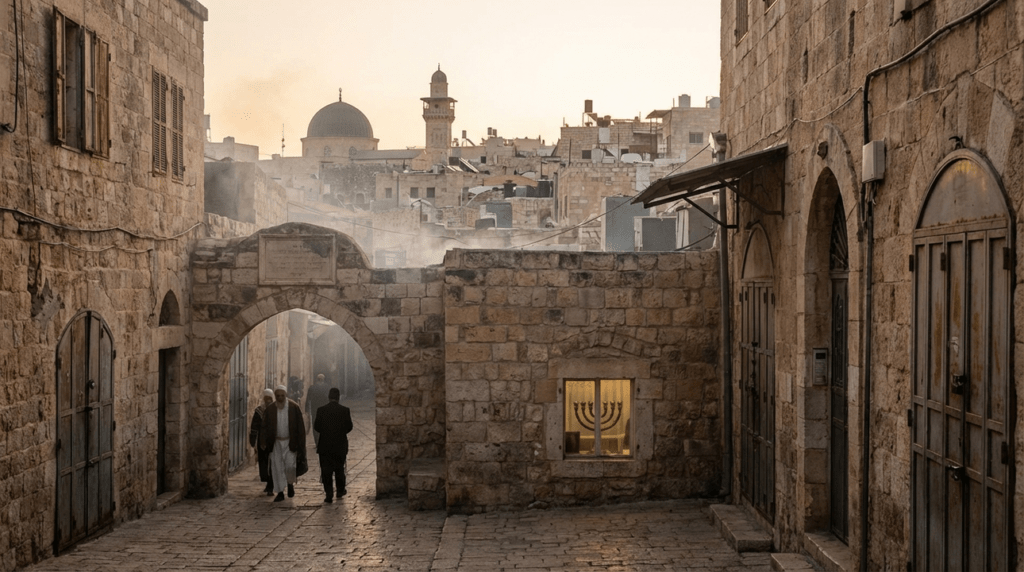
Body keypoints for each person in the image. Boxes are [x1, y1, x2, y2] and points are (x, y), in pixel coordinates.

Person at [260, 385, 306, 502]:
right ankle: (280, 492)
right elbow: (264, 427)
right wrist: (263, 441)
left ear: (286, 395)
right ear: (275, 396)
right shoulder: (270, 409)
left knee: (290, 466)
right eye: (278, 396)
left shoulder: (293, 407)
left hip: (290, 442)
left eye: (282, 395)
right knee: (277, 467)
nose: (280, 398)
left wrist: (300, 444)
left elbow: (300, 427)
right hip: (276, 443)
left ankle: (290, 485)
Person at [313, 387, 353, 503]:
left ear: (328, 397)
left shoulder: (321, 410)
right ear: (338, 397)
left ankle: (329, 494)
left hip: (325, 446)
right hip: (340, 445)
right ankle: (340, 491)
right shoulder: (345, 410)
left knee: (326, 471)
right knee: (339, 469)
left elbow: (317, 427)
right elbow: (349, 427)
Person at [249, 388, 275, 495]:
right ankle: (269, 484)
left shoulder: (274, 410)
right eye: (266, 398)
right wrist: (253, 439)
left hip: (269, 441)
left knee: (270, 463)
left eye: (269, 398)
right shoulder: (261, 411)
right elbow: (254, 427)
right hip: (264, 441)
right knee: (266, 462)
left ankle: (270, 485)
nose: (268, 400)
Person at [306, 374, 330, 446]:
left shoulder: (312, 388)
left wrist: (307, 410)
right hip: (325, 410)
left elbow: (308, 400)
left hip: (315, 410)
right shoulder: (327, 387)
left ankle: (317, 443)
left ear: (317, 379)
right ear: (323, 379)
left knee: (315, 426)